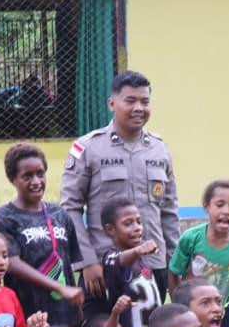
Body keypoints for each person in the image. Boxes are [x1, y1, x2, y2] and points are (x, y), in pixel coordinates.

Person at [61, 71, 179, 300]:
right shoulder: (88, 148)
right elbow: (70, 209)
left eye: (145, 101)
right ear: (112, 104)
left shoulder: (159, 149)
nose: (139, 108)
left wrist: (174, 262)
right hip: (105, 264)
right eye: (130, 100)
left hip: (153, 264)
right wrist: (87, 261)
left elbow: (169, 211)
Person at [0, 142, 85, 327]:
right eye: (27, 176)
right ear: (12, 179)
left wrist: (77, 306)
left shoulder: (60, 215)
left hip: (64, 311)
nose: (36, 181)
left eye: (40, 174)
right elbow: (12, 263)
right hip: (29, 311)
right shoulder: (4, 218)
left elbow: (70, 266)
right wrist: (59, 288)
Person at [81, 198, 162, 327]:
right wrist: (138, 250)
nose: (137, 228)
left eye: (139, 222)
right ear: (110, 230)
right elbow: (116, 261)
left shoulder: (143, 262)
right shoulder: (111, 258)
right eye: (128, 223)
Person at [168, 180, 229, 301]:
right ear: (206, 206)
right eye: (219, 205)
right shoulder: (190, 238)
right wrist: (179, 306)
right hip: (192, 312)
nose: (226, 211)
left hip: (222, 314)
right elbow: (174, 272)